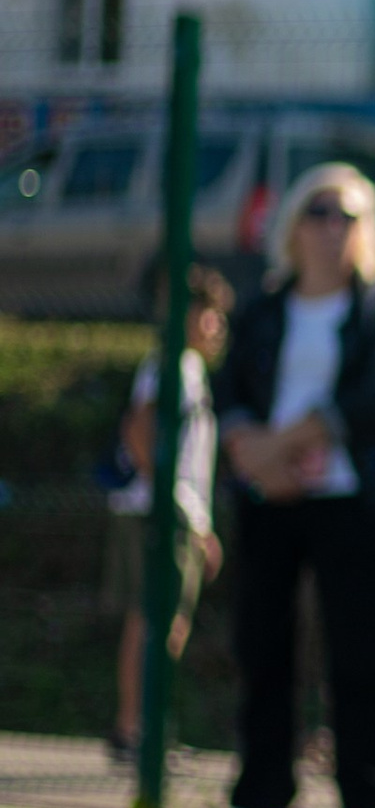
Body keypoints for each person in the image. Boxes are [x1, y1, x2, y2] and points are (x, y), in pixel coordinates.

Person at [201, 165, 375, 808]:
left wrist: (282, 446)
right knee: (264, 645)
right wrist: (251, 452)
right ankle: (261, 801)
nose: (333, 229)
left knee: (361, 651)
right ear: (292, 224)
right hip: (269, 500)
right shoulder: (265, 307)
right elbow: (228, 385)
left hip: (351, 499)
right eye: (320, 213)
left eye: (349, 217)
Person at [104, 265, 228, 769]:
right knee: (157, 622)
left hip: (169, 513)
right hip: (160, 516)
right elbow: (138, 429)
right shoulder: (173, 366)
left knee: (155, 621)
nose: (218, 327)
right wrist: (177, 508)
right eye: (212, 315)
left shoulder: (184, 368)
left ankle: (141, 728)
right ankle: (137, 731)